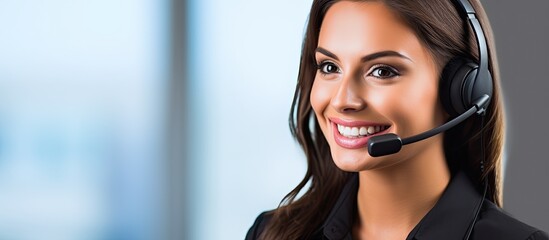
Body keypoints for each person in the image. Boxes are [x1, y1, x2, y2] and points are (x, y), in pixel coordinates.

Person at [246, 0, 548, 239]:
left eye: (382, 71)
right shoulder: (273, 233)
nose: (341, 100)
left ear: (461, 90)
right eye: (329, 67)